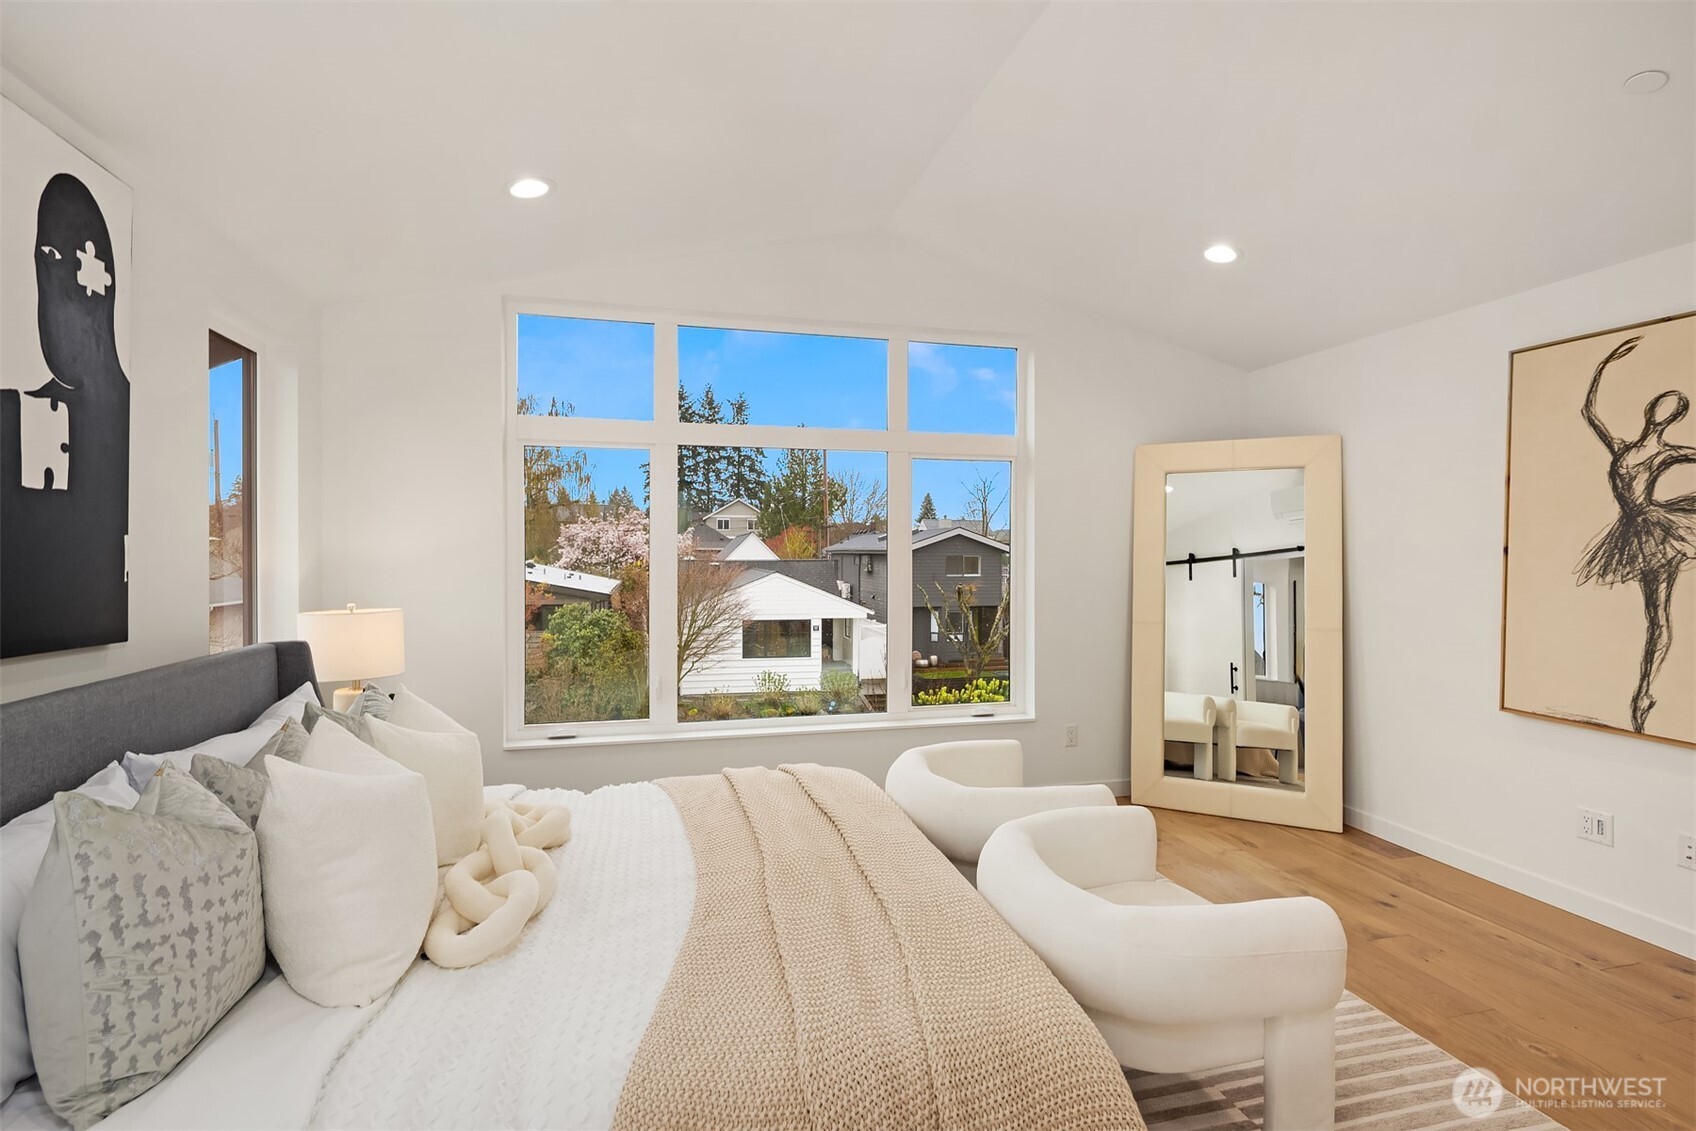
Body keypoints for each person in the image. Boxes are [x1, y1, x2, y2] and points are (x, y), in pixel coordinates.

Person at [1575, 335, 1696, 732]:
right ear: (1650, 410)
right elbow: (1588, 411)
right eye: (1661, 406)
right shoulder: (1621, 447)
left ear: (1672, 418)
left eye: (1671, 411)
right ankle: (1643, 693)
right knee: (1653, 615)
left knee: (1658, 615)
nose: (1661, 414)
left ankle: (1644, 692)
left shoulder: (1668, 452)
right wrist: (1604, 365)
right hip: (1632, 532)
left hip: (1658, 532)